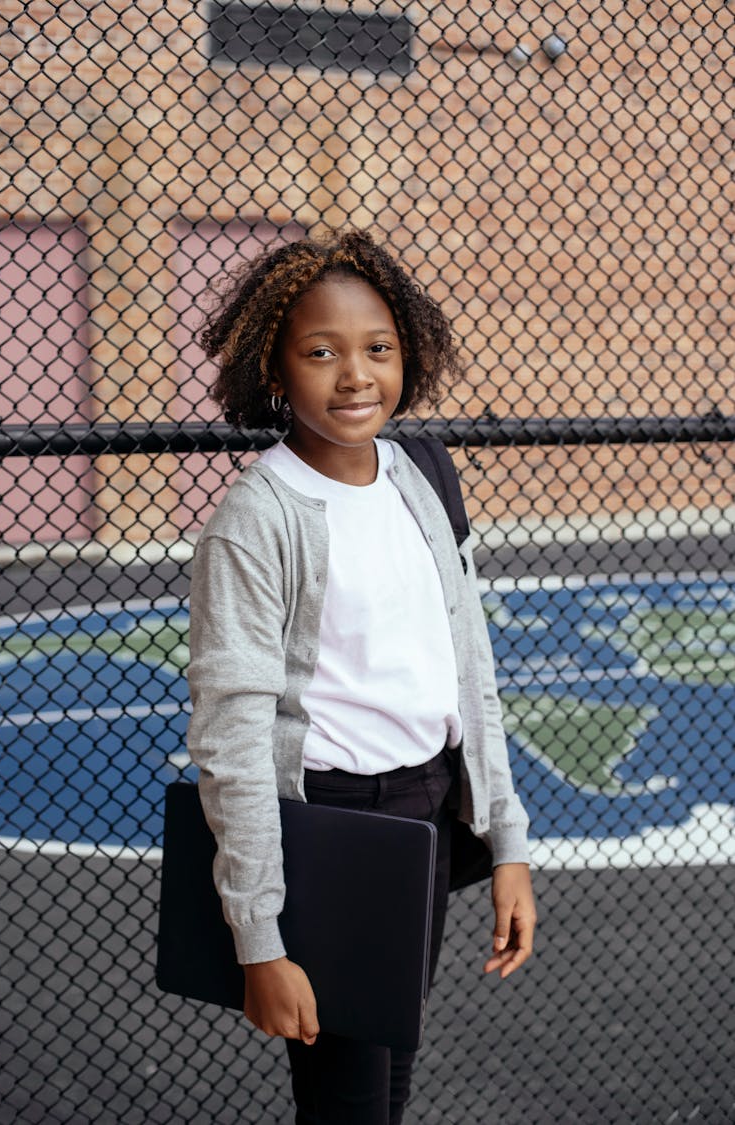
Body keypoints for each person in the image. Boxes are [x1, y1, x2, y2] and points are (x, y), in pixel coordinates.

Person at [186, 228, 536, 1125]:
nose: (355, 376)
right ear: (274, 368)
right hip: (331, 829)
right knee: (348, 1105)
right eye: (321, 351)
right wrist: (259, 939)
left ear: (406, 354)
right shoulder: (258, 520)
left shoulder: (422, 474)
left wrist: (507, 841)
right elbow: (233, 742)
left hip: (421, 815)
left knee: (393, 1079)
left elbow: (472, 671)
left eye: (377, 348)